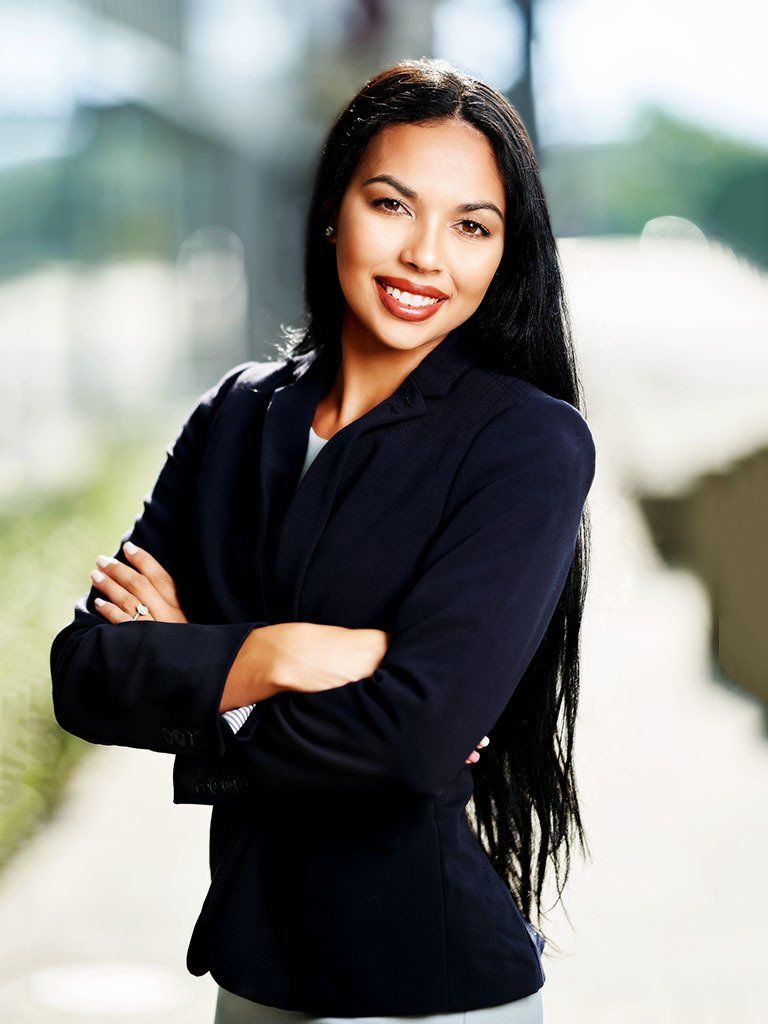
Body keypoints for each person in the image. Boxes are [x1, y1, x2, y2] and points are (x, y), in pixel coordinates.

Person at [50, 58, 596, 1024]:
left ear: (505, 254)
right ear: (334, 210)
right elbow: (85, 675)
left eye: (472, 226)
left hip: (422, 985)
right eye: (393, 205)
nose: (426, 256)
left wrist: (202, 678)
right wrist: (276, 655)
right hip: (254, 973)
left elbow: (414, 741)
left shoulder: (526, 443)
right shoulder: (234, 414)